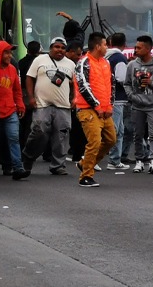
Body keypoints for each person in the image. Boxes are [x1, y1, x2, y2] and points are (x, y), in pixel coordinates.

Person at [23, 37, 75, 176]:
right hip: (42, 104)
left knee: (61, 135)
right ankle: (28, 158)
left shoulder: (70, 64)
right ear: (51, 47)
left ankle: (58, 165)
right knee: (39, 131)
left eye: (63, 48)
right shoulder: (40, 60)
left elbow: (75, 83)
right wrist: (31, 98)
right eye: (57, 47)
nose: (60, 50)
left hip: (63, 106)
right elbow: (29, 78)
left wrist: (74, 98)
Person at [72, 33, 116, 187]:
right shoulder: (84, 62)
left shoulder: (105, 62)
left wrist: (109, 106)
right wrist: (98, 106)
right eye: (105, 44)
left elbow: (112, 85)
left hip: (104, 110)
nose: (107, 47)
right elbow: (84, 87)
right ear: (97, 46)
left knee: (111, 139)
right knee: (95, 142)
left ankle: (85, 163)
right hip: (88, 109)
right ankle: (86, 176)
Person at [0, 40, 29, 181]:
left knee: (14, 139)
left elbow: (17, 90)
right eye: (7, 52)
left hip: (10, 110)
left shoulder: (12, 69)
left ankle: (18, 168)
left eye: (10, 52)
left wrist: (20, 105)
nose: (10, 55)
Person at [123, 35, 153, 175]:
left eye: (139, 48)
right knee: (138, 134)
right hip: (137, 105)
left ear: (148, 49)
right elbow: (126, 83)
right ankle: (139, 160)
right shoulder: (132, 65)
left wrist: (151, 83)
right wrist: (132, 96)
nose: (136, 50)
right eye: (136, 47)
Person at [104, 32, 132, 171]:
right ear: (124, 44)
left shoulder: (105, 56)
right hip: (117, 99)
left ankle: (115, 159)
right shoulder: (119, 58)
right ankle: (110, 159)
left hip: (107, 97)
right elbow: (121, 78)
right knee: (114, 130)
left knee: (117, 130)